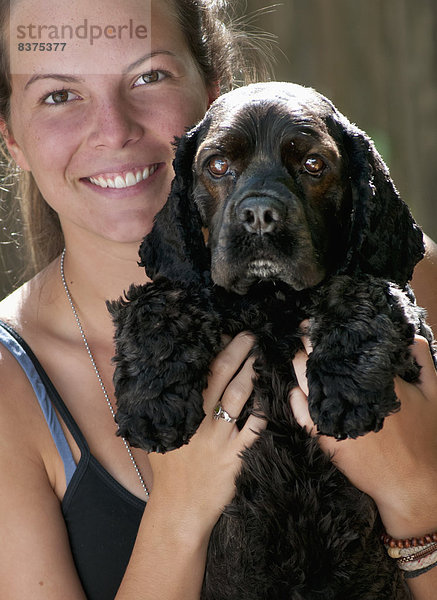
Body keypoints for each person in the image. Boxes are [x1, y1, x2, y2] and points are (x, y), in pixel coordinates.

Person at [0, 1, 435, 599]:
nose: (114, 129)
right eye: (57, 95)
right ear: (10, 138)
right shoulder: (10, 385)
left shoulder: (408, 281)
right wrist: (179, 512)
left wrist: (418, 497)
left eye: (148, 76)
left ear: (213, 92)